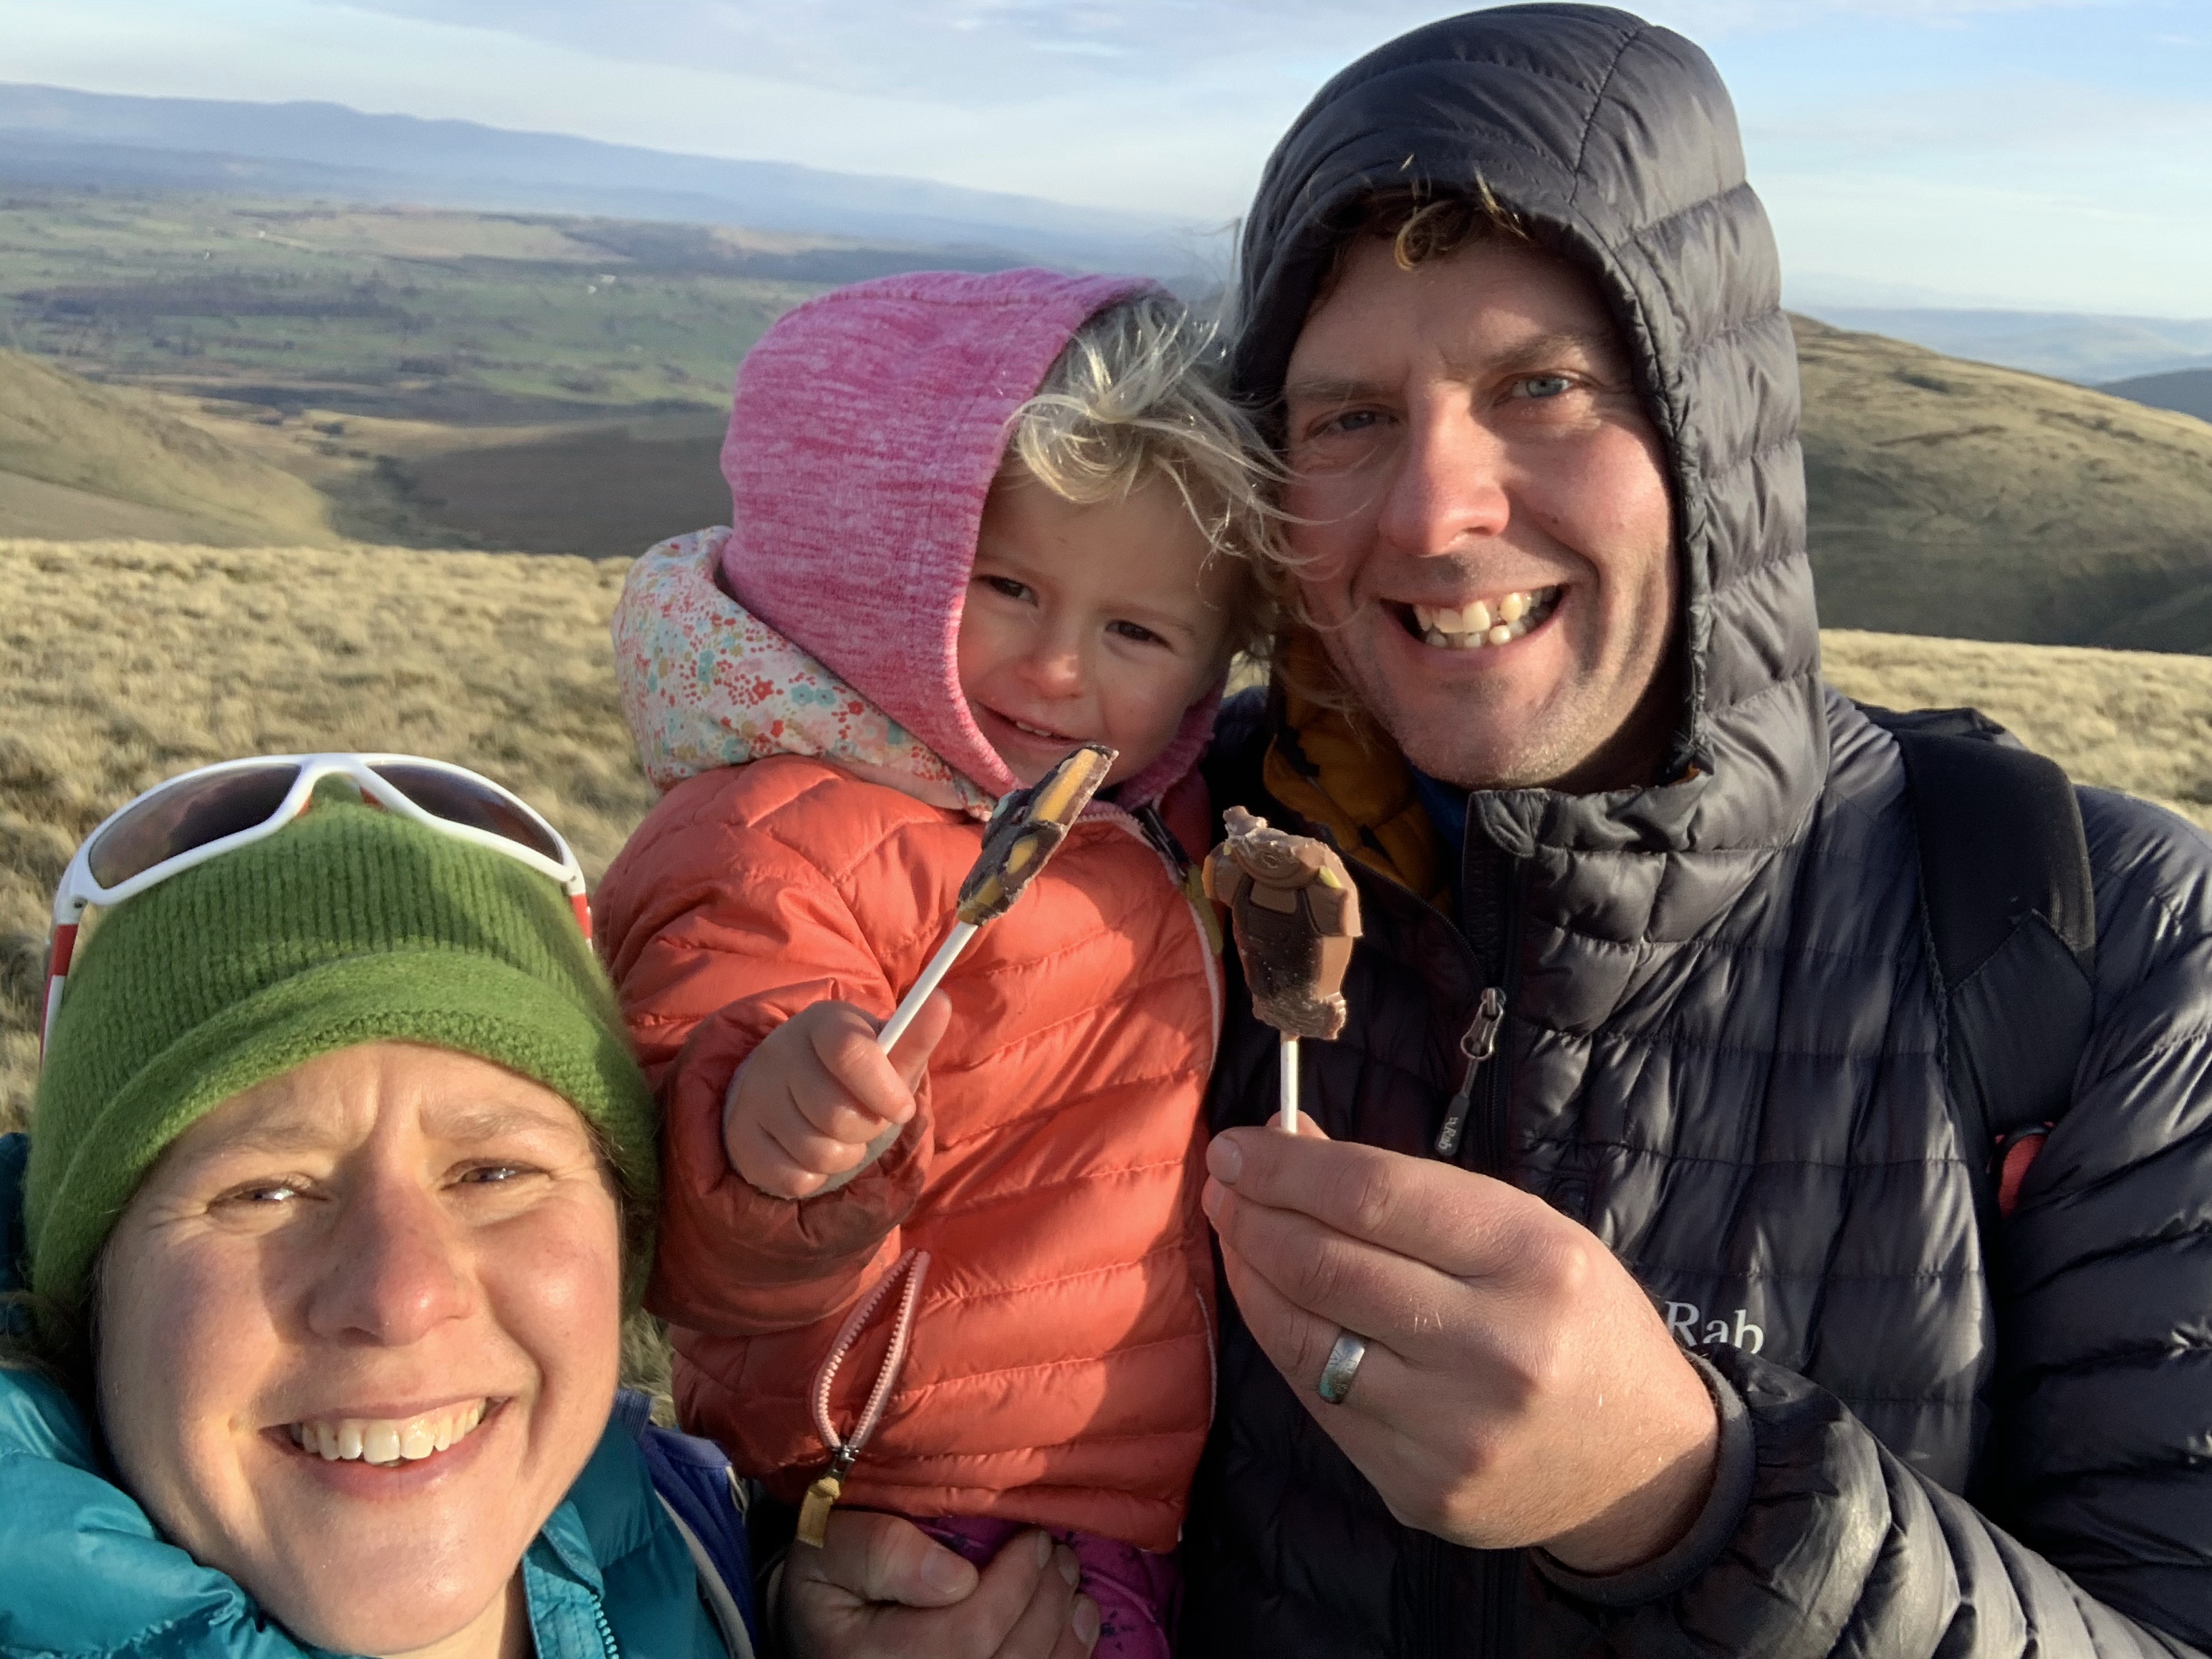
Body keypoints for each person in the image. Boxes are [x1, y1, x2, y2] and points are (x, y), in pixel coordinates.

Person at [783, 7, 2212, 1657]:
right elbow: (837, 1356)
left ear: (1709, 434)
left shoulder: (2100, 946)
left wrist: (1684, 1493)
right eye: (1345, 417)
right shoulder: (1138, 852)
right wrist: (834, 1579)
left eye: (1541, 387)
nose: (1431, 509)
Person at [593, 269, 1279, 1658]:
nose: (1059, 669)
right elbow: (691, 1197)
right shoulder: (780, 832)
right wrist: (767, 1130)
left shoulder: (1140, 817)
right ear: (873, 571)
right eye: (1005, 587)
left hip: (1129, 1496)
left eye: (1136, 632)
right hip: (919, 1511)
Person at [1, 755, 759, 1658]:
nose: (400, 1297)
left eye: (492, 1174)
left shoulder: (700, 1537)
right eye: (264, 1191)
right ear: (93, 1292)